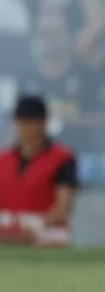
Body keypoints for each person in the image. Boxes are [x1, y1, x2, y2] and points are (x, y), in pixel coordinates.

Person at [0, 96, 77, 246]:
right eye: (22, 122)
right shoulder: (3, 159)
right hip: (6, 228)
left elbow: (63, 207)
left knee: (49, 243)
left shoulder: (62, 158)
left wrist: (34, 229)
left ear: (43, 123)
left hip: (46, 230)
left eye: (32, 122)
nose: (27, 128)